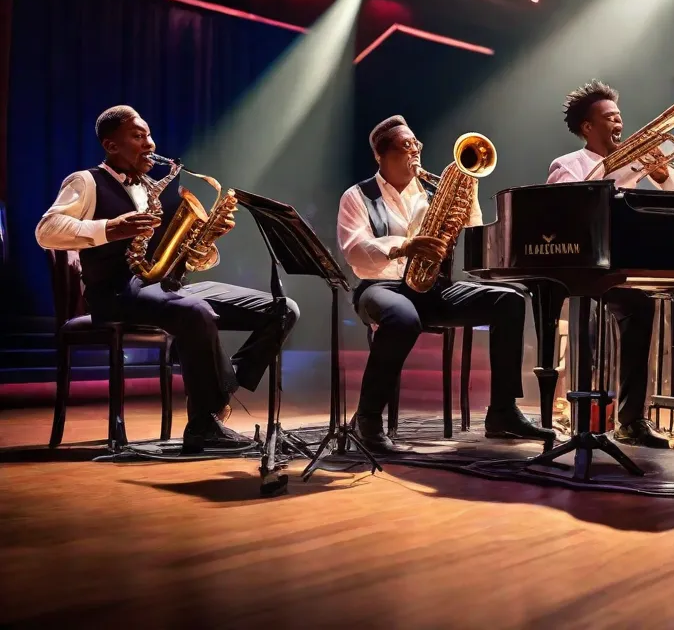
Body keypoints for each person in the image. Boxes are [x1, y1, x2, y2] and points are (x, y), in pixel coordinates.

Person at [36, 105, 299, 453]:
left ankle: (223, 385)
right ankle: (204, 425)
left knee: (283, 309)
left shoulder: (149, 190)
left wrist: (207, 240)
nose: (150, 143)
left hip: (166, 285)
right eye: (138, 135)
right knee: (195, 311)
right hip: (114, 292)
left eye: (149, 134)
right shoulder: (85, 181)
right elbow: (46, 230)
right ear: (111, 145)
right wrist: (109, 228)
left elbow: (181, 260)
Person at [337, 115, 554, 453]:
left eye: (417, 146)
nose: (415, 154)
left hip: (433, 287)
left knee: (510, 300)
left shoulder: (433, 191)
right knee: (401, 318)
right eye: (405, 147)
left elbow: (474, 232)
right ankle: (367, 419)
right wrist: (404, 246)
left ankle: (502, 412)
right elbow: (354, 251)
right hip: (380, 287)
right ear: (381, 156)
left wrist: (469, 189)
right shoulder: (358, 196)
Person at [547, 80, 674, 449]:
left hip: (623, 266)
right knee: (611, 316)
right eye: (609, 117)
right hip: (582, 268)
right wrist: (618, 168)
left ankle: (631, 420)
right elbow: (570, 208)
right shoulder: (568, 164)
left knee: (642, 306)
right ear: (587, 127)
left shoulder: (639, 166)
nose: (619, 123)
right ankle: (584, 416)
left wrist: (661, 174)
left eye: (619, 116)